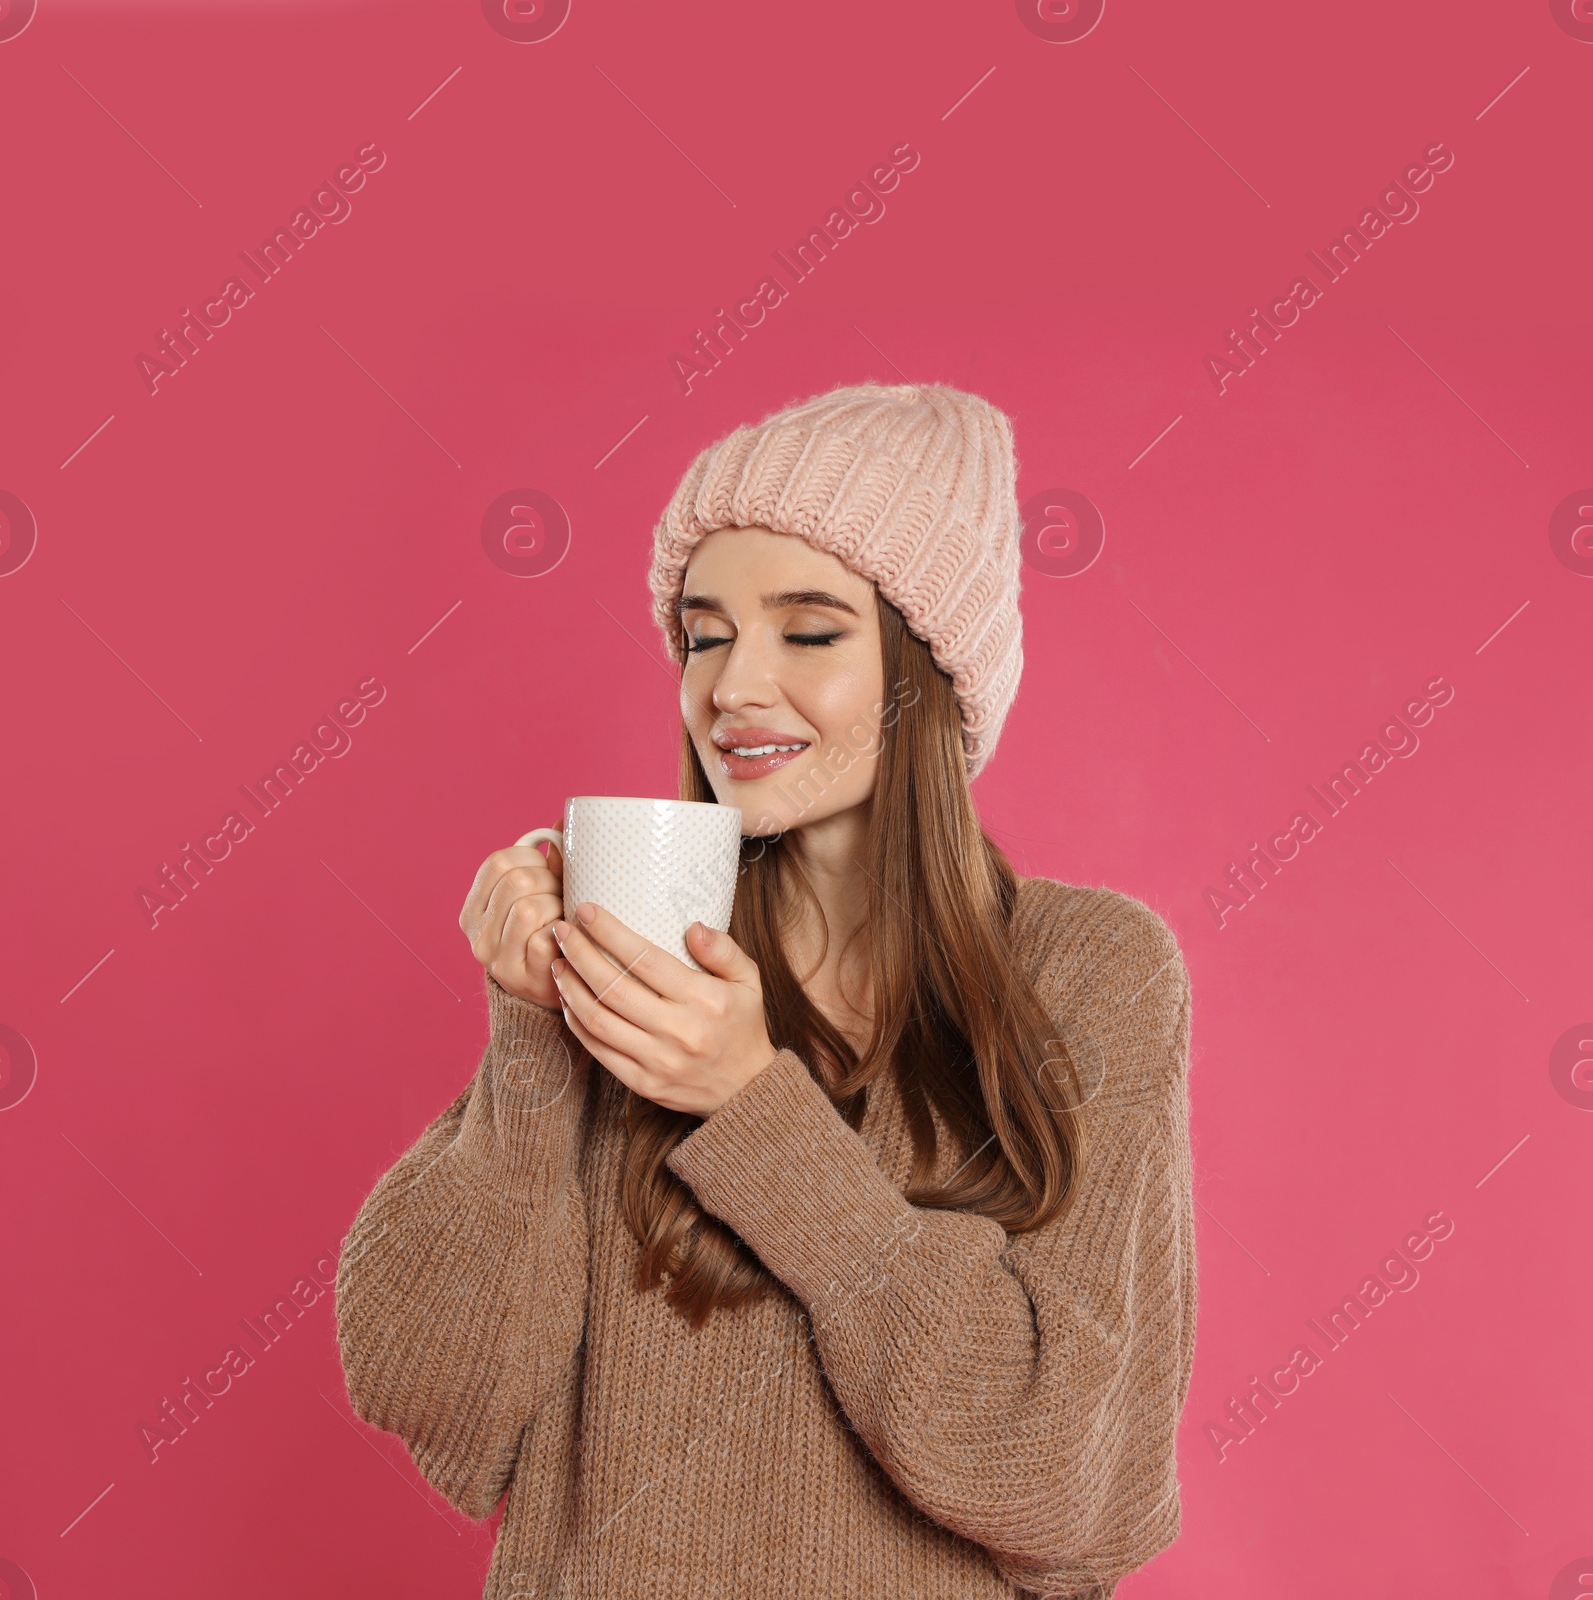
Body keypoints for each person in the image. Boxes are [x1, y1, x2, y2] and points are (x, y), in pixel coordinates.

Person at [333, 382, 1196, 1599]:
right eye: (703, 632)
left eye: (807, 631)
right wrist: (532, 1041)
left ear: (929, 668)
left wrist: (754, 1108)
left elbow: (1066, 1482)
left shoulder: (1086, 972)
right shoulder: (646, 933)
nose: (731, 686)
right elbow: (433, 1391)